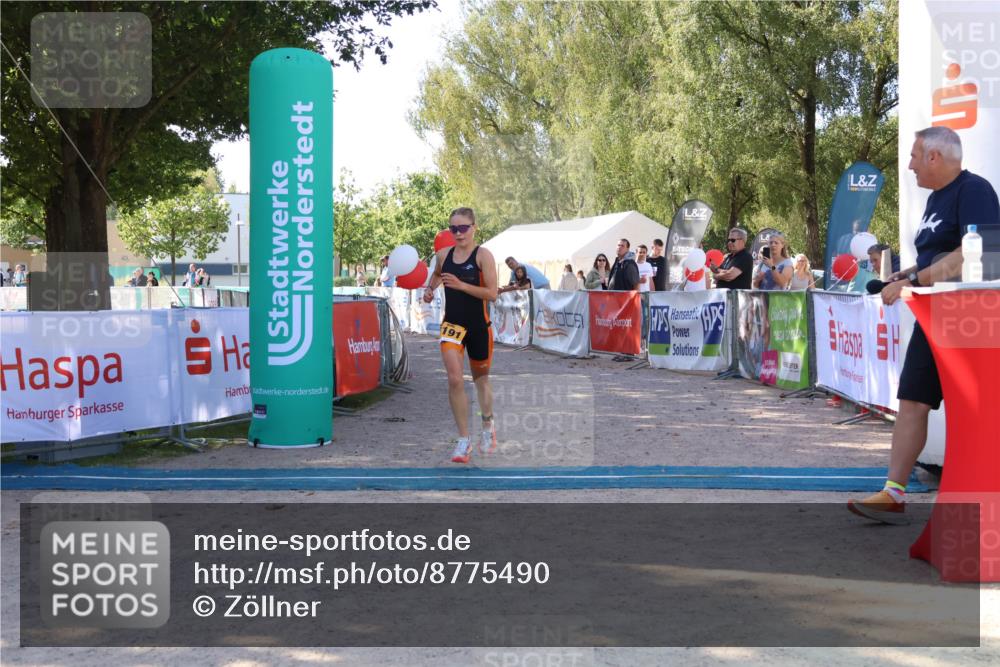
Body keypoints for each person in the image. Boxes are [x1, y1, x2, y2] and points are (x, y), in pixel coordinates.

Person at [848, 126, 1000, 524]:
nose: (911, 165)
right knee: (912, 399)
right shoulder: (935, 199)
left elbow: (975, 252)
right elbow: (935, 256)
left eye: (915, 156)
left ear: (935, 156)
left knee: (975, 411)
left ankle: (979, 501)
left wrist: (914, 281)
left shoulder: (975, 191)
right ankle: (893, 493)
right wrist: (905, 276)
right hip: (934, 317)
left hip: (970, 318)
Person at [423, 207, 499, 464]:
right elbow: (435, 277)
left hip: (479, 326)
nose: (458, 233)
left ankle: (488, 426)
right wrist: (429, 290)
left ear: (474, 227)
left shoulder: (483, 256)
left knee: (481, 382)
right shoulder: (443, 255)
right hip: (452, 326)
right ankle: (464, 439)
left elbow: (492, 294)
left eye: (463, 228)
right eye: (453, 229)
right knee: (455, 379)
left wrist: (462, 285)